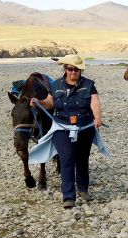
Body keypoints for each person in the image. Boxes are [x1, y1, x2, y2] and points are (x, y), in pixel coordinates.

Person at [30, 54, 105, 209]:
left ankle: (83, 189)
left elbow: (95, 101)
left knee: (82, 160)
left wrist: (97, 117)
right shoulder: (56, 85)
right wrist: (39, 102)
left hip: (85, 128)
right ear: (65, 69)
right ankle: (68, 197)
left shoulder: (89, 85)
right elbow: (50, 102)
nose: (73, 72)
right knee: (67, 160)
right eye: (70, 69)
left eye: (76, 69)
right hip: (62, 129)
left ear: (80, 71)